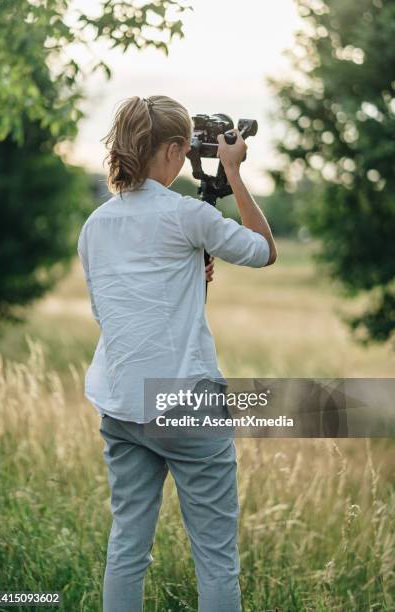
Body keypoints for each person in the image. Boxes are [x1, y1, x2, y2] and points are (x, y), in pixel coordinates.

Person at [77, 95, 277, 612]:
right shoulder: (188, 215)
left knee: (127, 547)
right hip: (185, 402)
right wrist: (233, 173)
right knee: (215, 558)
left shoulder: (95, 225)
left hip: (120, 403)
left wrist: (187, 275)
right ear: (172, 150)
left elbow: (117, 312)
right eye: (186, 147)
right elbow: (263, 250)